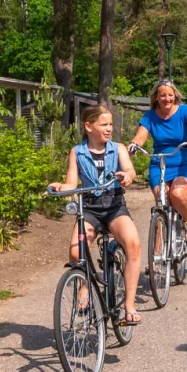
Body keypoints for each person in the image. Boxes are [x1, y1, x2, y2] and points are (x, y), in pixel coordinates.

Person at [51, 103, 143, 325]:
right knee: (75, 252)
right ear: (88, 126)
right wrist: (60, 187)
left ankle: (129, 305)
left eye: (110, 124)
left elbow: (130, 170)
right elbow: (72, 182)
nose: (109, 128)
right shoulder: (77, 152)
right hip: (89, 207)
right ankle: (84, 287)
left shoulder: (118, 148)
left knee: (133, 244)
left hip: (114, 204)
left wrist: (128, 176)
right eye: (104, 124)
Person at [129, 79, 187, 244]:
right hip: (159, 164)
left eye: (170, 95)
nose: (167, 99)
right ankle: (157, 255)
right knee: (161, 201)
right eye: (162, 95)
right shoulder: (150, 116)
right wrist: (134, 144)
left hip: (182, 164)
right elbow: (141, 135)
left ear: (175, 96)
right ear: (156, 97)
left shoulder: (184, 111)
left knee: (177, 194)